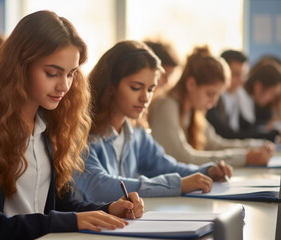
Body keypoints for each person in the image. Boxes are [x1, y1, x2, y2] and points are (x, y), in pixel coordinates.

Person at [0, 11, 143, 239]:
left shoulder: (51, 124)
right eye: (52, 73)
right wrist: (67, 221)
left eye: (71, 74)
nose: (64, 86)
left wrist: (107, 209)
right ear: (20, 67)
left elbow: (60, 203)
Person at [73, 40, 232, 203]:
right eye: (135, 87)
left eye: (150, 89)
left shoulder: (135, 131)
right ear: (110, 85)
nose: (145, 98)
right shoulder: (82, 130)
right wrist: (177, 185)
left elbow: (165, 166)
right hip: (82, 227)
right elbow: (99, 187)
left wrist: (206, 171)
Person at [148, 46, 274, 167]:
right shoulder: (167, 105)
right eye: (210, 94)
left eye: (217, 96)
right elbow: (184, 157)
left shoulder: (194, 111)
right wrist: (244, 157)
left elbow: (216, 144)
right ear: (191, 84)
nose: (213, 103)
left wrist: (258, 145)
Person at [206, 50, 280, 141]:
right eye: (236, 74)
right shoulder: (213, 100)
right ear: (223, 73)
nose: (242, 81)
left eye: (243, 75)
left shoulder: (236, 97)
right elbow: (226, 134)